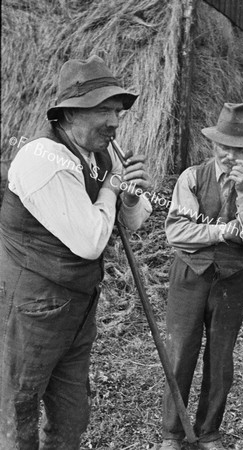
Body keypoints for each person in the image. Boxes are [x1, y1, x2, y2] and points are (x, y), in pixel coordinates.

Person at [0, 55, 152, 450]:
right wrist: (112, 190)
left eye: (117, 111)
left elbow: (132, 222)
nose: (115, 122)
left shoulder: (101, 154)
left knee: (71, 415)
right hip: (32, 309)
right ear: (68, 113)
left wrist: (130, 195)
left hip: (77, 308)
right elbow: (89, 241)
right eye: (103, 109)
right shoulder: (41, 160)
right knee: (18, 412)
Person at [160, 102, 243, 450]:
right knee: (179, 355)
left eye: (239, 150)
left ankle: (209, 432)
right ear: (213, 145)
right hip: (189, 276)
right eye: (225, 147)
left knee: (221, 359)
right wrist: (224, 232)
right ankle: (171, 434)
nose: (231, 156)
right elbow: (177, 232)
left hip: (231, 279)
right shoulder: (191, 178)